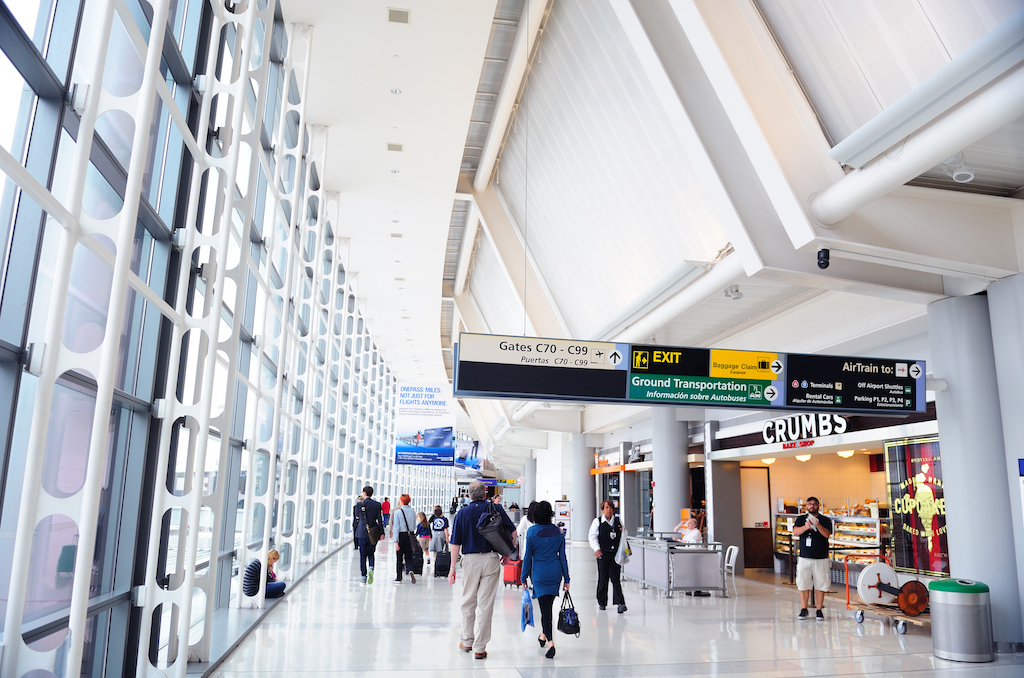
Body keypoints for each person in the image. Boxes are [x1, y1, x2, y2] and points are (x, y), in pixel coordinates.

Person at [448, 480, 517, 660]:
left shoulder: (462, 513)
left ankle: (467, 640)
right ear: (485, 494)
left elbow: (455, 543)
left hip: (470, 560)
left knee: (468, 601)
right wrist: (507, 553)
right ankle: (480, 647)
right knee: (485, 604)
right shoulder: (495, 509)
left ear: (469, 495)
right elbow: (514, 534)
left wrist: (452, 567)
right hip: (491, 559)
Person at [521, 501, 570, 659]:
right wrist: (567, 578)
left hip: (540, 574)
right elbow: (563, 558)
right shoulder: (558, 532)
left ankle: (551, 643)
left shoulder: (532, 532)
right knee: (547, 607)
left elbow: (528, 557)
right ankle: (543, 635)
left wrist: (523, 577)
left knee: (545, 610)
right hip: (555, 573)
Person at [792, 496, 833, 621]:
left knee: (821, 583)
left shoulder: (825, 520)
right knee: (803, 583)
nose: (812, 506)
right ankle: (804, 609)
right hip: (805, 557)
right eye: (809, 504)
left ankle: (819, 609)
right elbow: (795, 531)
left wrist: (818, 525)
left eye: (814, 504)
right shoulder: (800, 519)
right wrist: (806, 526)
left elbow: (827, 534)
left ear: (818, 506)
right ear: (806, 506)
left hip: (821, 557)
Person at [588, 500, 627, 613]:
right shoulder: (598, 522)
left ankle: (620, 603)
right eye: (606, 508)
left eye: (610, 507)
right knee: (603, 578)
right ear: (602, 509)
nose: (608, 510)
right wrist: (597, 549)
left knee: (615, 579)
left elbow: (625, 534)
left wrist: (622, 531)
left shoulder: (618, 521)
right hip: (603, 554)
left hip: (615, 555)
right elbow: (592, 536)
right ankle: (602, 602)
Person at [675, 518, 711, 597]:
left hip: (695, 554)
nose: (687, 525)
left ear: (694, 525)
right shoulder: (688, 531)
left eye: (689, 524)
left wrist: (678, 539)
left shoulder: (696, 532)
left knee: (694, 569)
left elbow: (688, 542)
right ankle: (691, 586)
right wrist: (680, 525)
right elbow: (675, 530)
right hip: (688, 553)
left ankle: (696, 588)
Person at [354, 486, 383, 584]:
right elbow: (380, 520)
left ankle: (363, 576)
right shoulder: (377, 505)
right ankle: (371, 567)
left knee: (362, 555)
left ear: (365, 493)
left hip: (361, 532)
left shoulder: (359, 505)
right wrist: (382, 533)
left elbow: (357, 518)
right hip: (373, 532)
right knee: (371, 552)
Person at [389, 494, 417, 583]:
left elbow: (396, 527)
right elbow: (414, 525)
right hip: (410, 535)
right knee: (408, 556)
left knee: (399, 557)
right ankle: (411, 569)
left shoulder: (398, 512)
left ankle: (399, 577)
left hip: (401, 535)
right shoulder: (413, 511)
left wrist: (395, 541)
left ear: (401, 501)